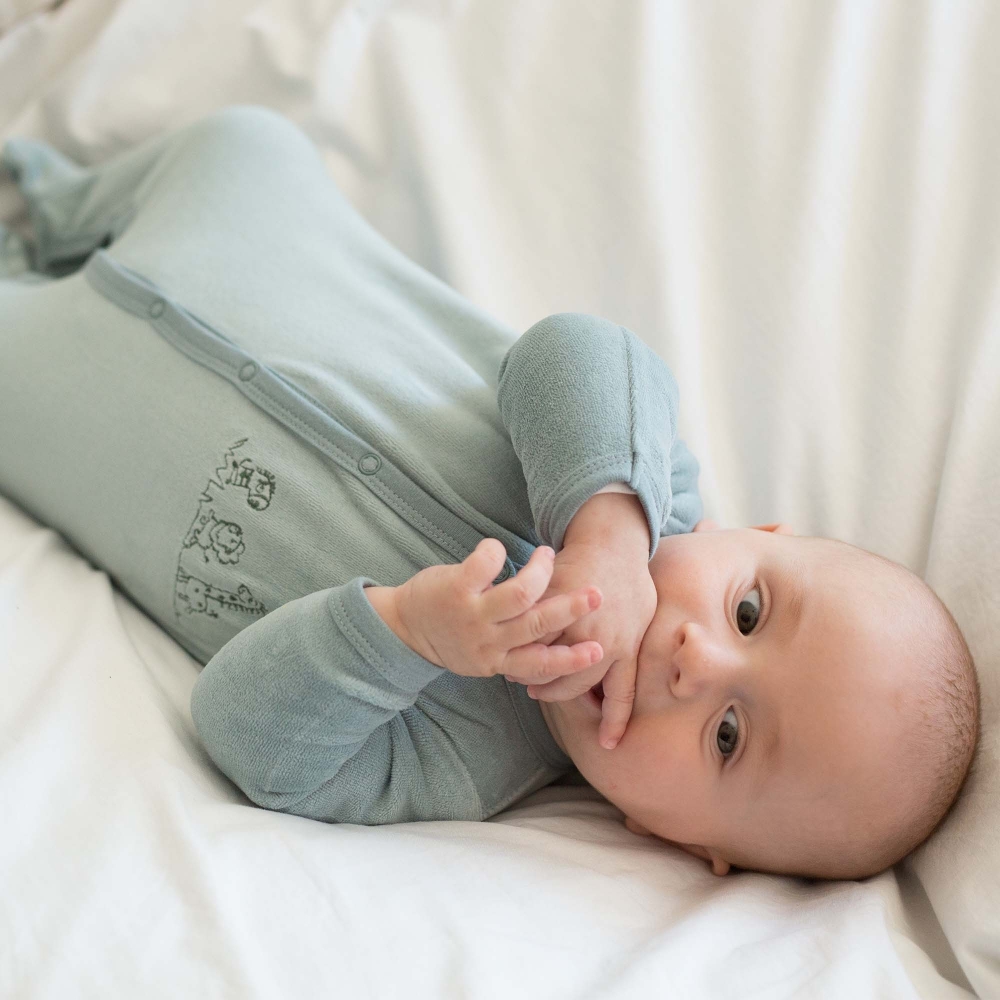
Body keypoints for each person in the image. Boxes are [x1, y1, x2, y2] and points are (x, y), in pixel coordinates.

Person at [0, 106, 980, 882]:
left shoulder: (462, 756)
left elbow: (246, 736)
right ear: (754, 533)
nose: (693, 656)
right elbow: (570, 347)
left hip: (57, 394)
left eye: (727, 735)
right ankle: (47, 200)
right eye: (750, 609)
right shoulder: (651, 487)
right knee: (241, 140)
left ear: (675, 839)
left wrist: (403, 634)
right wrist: (603, 526)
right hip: (247, 221)